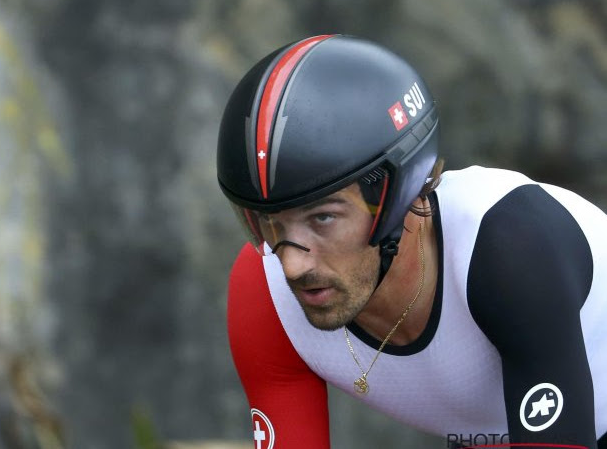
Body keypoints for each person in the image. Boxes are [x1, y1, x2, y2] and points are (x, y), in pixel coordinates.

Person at [216, 34, 607, 449]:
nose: (292, 266)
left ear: (399, 194)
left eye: (323, 218)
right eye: (269, 223)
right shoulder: (263, 288)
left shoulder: (511, 244)